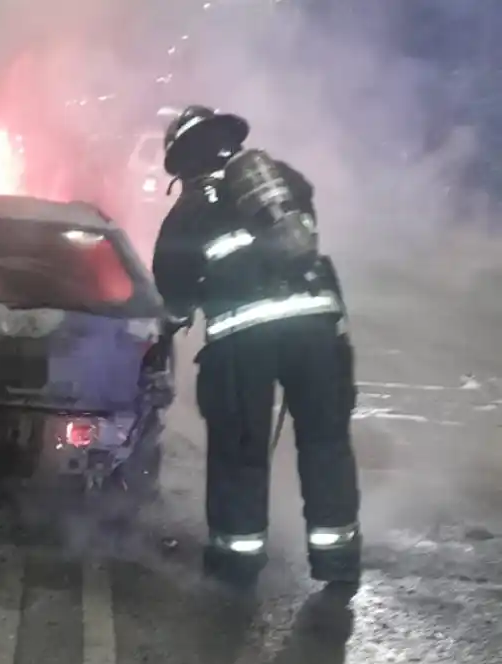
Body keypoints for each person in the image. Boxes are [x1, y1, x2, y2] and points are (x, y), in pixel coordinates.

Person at [151, 105, 361, 587]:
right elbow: (300, 237)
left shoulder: (190, 208)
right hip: (318, 331)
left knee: (240, 451)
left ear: (182, 159)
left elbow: (174, 290)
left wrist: (173, 323)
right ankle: (339, 562)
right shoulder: (282, 180)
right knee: (326, 445)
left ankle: (236, 563)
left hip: (242, 345)